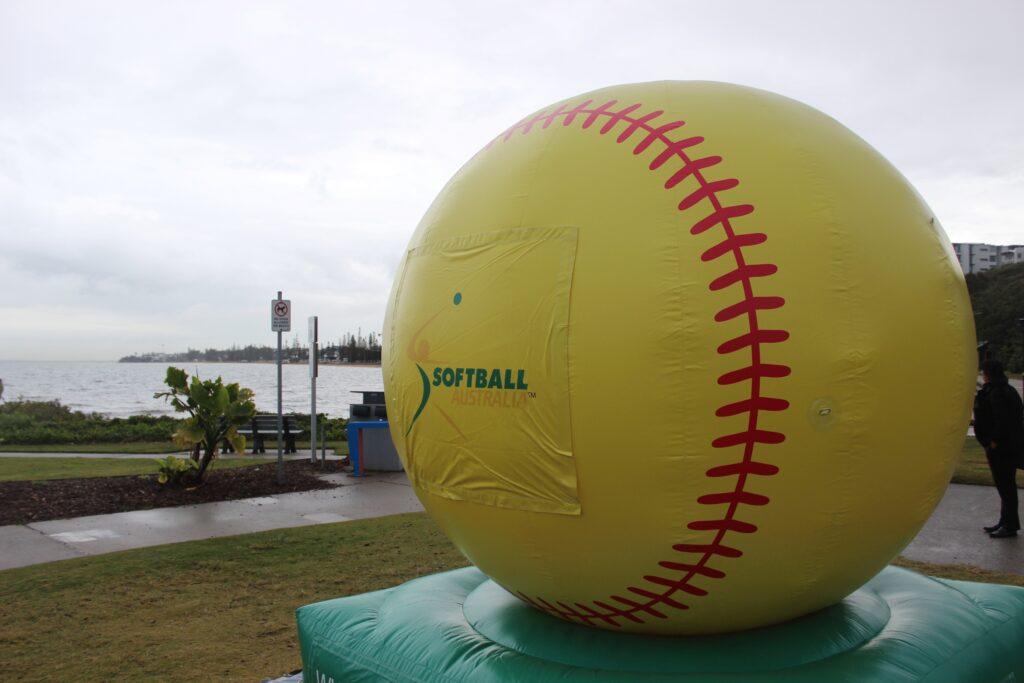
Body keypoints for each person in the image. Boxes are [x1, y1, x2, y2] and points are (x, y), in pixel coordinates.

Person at [973, 359, 1023, 538]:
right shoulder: (1002, 390)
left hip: (1002, 449)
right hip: (1004, 447)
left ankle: (1010, 526)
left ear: (988, 373)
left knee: (1006, 486)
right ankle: (1005, 521)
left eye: (984, 371)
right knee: (1004, 486)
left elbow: (1002, 421)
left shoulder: (998, 393)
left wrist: (993, 441)